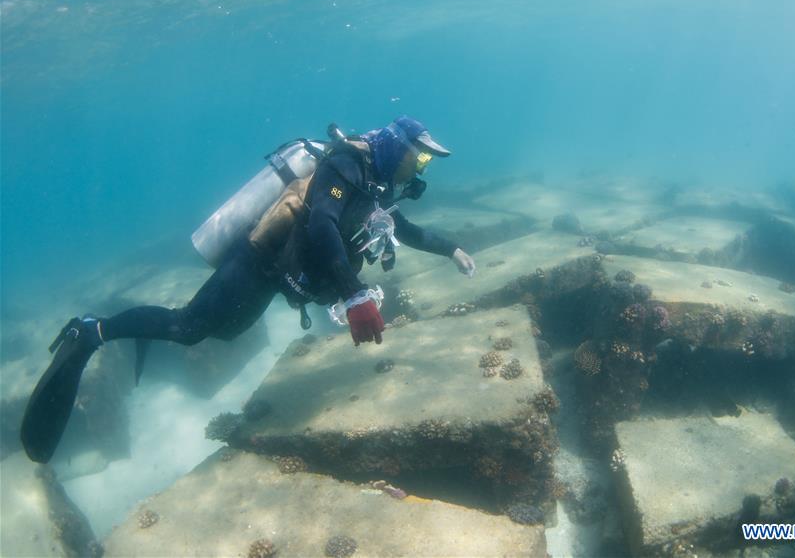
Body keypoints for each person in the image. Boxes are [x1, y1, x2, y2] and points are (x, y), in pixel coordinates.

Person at [21, 116, 476, 463]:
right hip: (257, 258)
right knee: (188, 328)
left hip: (279, 273)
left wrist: (452, 249)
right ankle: (91, 332)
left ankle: (132, 329)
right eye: (419, 158)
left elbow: (403, 228)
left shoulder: (376, 185)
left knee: (223, 331)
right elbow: (322, 224)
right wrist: (354, 295)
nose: (421, 167)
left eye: (426, 162)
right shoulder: (345, 166)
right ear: (396, 147)